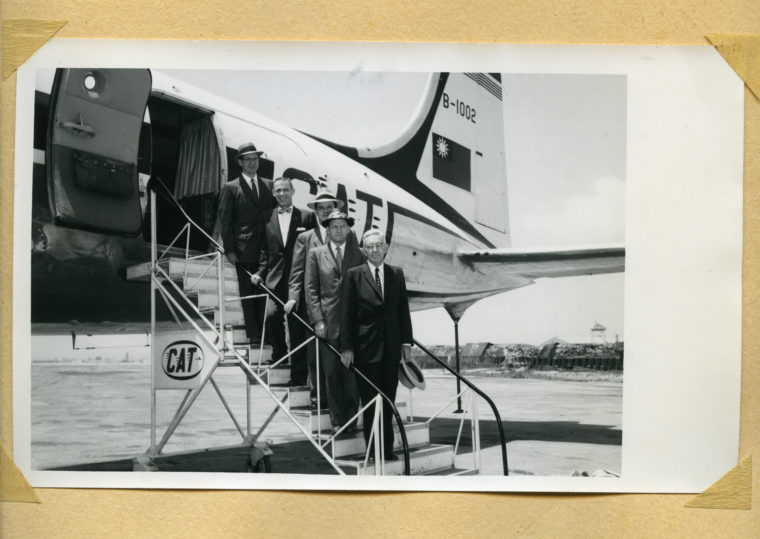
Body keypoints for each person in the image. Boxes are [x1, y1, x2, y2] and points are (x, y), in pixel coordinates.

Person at [339, 229, 413, 460]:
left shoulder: (396, 274)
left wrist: (406, 343)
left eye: (378, 245)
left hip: (391, 350)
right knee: (371, 402)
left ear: (386, 247)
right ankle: (372, 450)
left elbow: (403, 311)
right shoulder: (353, 275)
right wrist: (347, 347)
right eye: (369, 246)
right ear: (363, 250)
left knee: (388, 402)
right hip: (365, 350)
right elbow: (346, 314)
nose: (374, 250)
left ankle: (387, 450)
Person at [284, 186, 358, 406]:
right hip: (315, 307)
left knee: (344, 358)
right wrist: (293, 297)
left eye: (329, 207)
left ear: (335, 208)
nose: (325, 211)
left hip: (343, 310)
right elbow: (297, 272)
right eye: (321, 208)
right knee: (315, 355)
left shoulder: (348, 233)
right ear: (315, 211)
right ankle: (320, 397)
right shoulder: (305, 238)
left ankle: (345, 401)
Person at [251, 177, 317, 386]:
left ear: (293, 191)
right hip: (275, 278)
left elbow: (313, 249)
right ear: (273, 193)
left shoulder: (306, 217)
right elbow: (264, 250)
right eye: (277, 191)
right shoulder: (266, 217)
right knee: (271, 316)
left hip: (298, 280)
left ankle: (297, 377)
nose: (281, 194)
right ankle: (280, 355)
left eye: (285, 190)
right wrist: (261, 272)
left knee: (296, 328)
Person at [304, 210, 365, 433]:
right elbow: (311, 290)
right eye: (334, 226)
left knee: (351, 373)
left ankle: (351, 419)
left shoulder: (359, 254)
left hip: (353, 324)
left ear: (349, 230)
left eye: (343, 226)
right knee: (331, 373)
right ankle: (338, 420)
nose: (339, 230)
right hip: (327, 324)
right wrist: (317, 320)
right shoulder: (315, 254)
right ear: (327, 230)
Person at [218, 142, 274, 344]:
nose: (252, 163)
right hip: (244, 249)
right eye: (248, 160)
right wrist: (229, 250)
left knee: (265, 292)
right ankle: (254, 335)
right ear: (240, 162)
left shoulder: (269, 185)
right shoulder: (231, 187)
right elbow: (226, 221)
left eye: (255, 159)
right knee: (248, 294)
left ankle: (266, 334)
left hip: (267, 248)